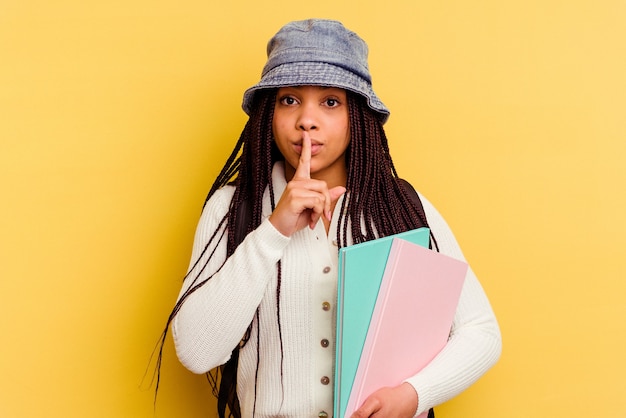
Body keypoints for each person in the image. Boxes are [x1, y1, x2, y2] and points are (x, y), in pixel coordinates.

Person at [168, 18, 501, 418]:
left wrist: (415, 394)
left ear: (356, 116)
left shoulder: (402, 206)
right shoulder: (233, 207)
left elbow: (481, 331)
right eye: (289, 99)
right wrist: (274, 230)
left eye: (330, 102)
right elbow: (196, 351)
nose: (306, 120)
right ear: (268, 113)